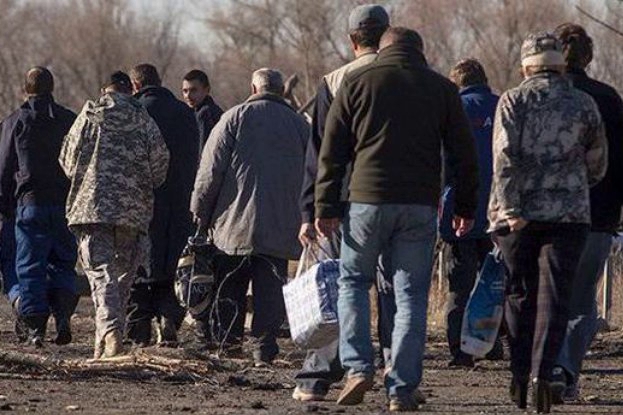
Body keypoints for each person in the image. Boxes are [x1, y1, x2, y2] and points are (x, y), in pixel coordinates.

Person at [315, 27, 479, 412]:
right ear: (419, 51)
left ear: (382, 49)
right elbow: (464, 155)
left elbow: (332, 150)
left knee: (354, 282)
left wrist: (325, 206)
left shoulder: (356, 82)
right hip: (419, 205)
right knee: (409, 294)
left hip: (365, 202)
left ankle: (357, 369)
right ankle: (401, 387)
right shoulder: (441, 89)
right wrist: (466, 208)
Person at [489, 33, 607, 413]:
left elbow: (504, 156)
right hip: (569, 214)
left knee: (519, 293)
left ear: (526, 66)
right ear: (560, 64)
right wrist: (571, 185)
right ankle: (544, 373)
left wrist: (510, 208)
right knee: (556, 297)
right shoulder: (584, 102)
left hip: (518, 214)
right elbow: (597, 161)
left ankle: (520, 374)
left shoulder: (513, 100)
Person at [294, 3, 403, 403]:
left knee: (341, 287)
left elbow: (319, 154)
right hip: (401, 198)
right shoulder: (411, 76)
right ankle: (398, 374)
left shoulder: (335, 80)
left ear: (352, 39)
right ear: (389, 33)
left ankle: (317, 379)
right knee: (395, 289)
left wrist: (311, 211)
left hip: (344, 204)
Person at [191, 68, 308, 367]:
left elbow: (210, 173)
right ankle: (263, 349)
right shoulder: (299, 125)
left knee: (231, 282)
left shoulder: (233, 118)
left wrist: (200, 212)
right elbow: (315, 174)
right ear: (282, 91)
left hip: (234, 223)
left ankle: (229, 344)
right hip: (282, 225)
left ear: (253, 89)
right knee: (270, 286)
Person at [59, 71, 169, 358]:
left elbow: (68, 161)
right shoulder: (144, 119)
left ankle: (109, 333)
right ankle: (107, 341)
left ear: (104, 90)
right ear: (130, 90)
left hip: (93, 208)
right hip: (133, 212)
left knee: (101, 275)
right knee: (122, 278)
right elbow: (160, 167)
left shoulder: (90, 115)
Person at [549, 23, 623, 402]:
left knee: (549, 294)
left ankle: (547, 369)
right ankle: (566, 370)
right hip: (600, 213)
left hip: (549, 214)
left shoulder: (543, 97)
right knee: (582, 302)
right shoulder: (608, 99)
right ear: (589, 56)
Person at [0, 67, 78, 347]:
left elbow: (5, 166)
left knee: (30, 267)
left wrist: (5, 206)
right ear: (52, 88)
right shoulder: (70, 120)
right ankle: (64, 317)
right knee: (63, 262)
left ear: (26, 90)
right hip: (65, 205)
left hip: (29, 205)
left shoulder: (15, 122)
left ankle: (35, 329)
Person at [126, 64, 200, 347]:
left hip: (141, 202)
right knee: (174, 265)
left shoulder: (134, 111)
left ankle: (139, 329)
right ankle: (169, 314)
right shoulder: (185, 114)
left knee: (140, 266)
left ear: (135, 85)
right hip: (179, 200)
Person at [440, 58, 500, 367]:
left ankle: (461, 351)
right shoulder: (503, 105)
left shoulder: (452, 110)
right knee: (496, 279)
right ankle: (493, 343)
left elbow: (443, 163)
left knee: (459, 284)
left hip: (459, 211)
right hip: (500, 211)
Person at [182, 69, 224, 150]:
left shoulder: (205, 114)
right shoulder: (212, 110)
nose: (188, 95)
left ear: (207, 90)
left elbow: (202, 149)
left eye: (193, 90)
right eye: (185, 91)